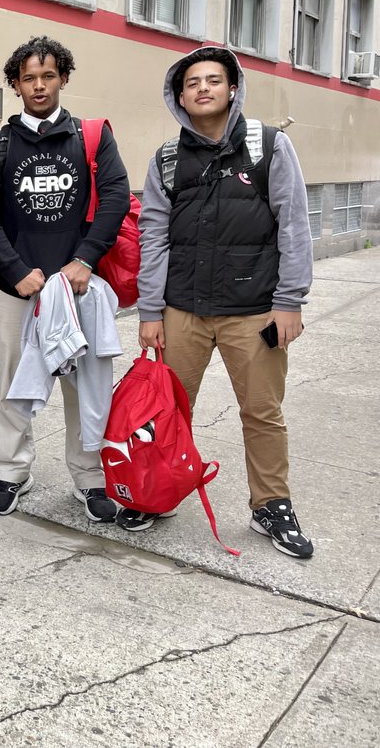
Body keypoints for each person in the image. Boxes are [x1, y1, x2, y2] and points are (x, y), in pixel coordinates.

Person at [134, 46, 314, 558]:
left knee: (262, 411)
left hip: (255, 308)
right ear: (180, 96)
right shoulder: (168, 158)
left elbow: (294, 226)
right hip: (182, 310)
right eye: (193, 83)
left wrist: (290, 301)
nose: (204, 88)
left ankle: (270, 505)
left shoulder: (269, 146)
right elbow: (153, 235)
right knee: (168, 412)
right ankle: (159, 492)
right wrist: (150, 311)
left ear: (233, 88)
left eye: (214, 80)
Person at [0, 35, 130, 522]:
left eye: (48, 76)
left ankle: (89, 477)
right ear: (15, 85)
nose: (39, 86)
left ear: (63, 78)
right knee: (14, 386)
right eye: (29, 78)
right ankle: (13, 471)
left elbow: (116, 198)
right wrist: (15, 270)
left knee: (87, 387)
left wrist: (84, 259)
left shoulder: (90, 137)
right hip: (14, 292)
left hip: (78, 288)